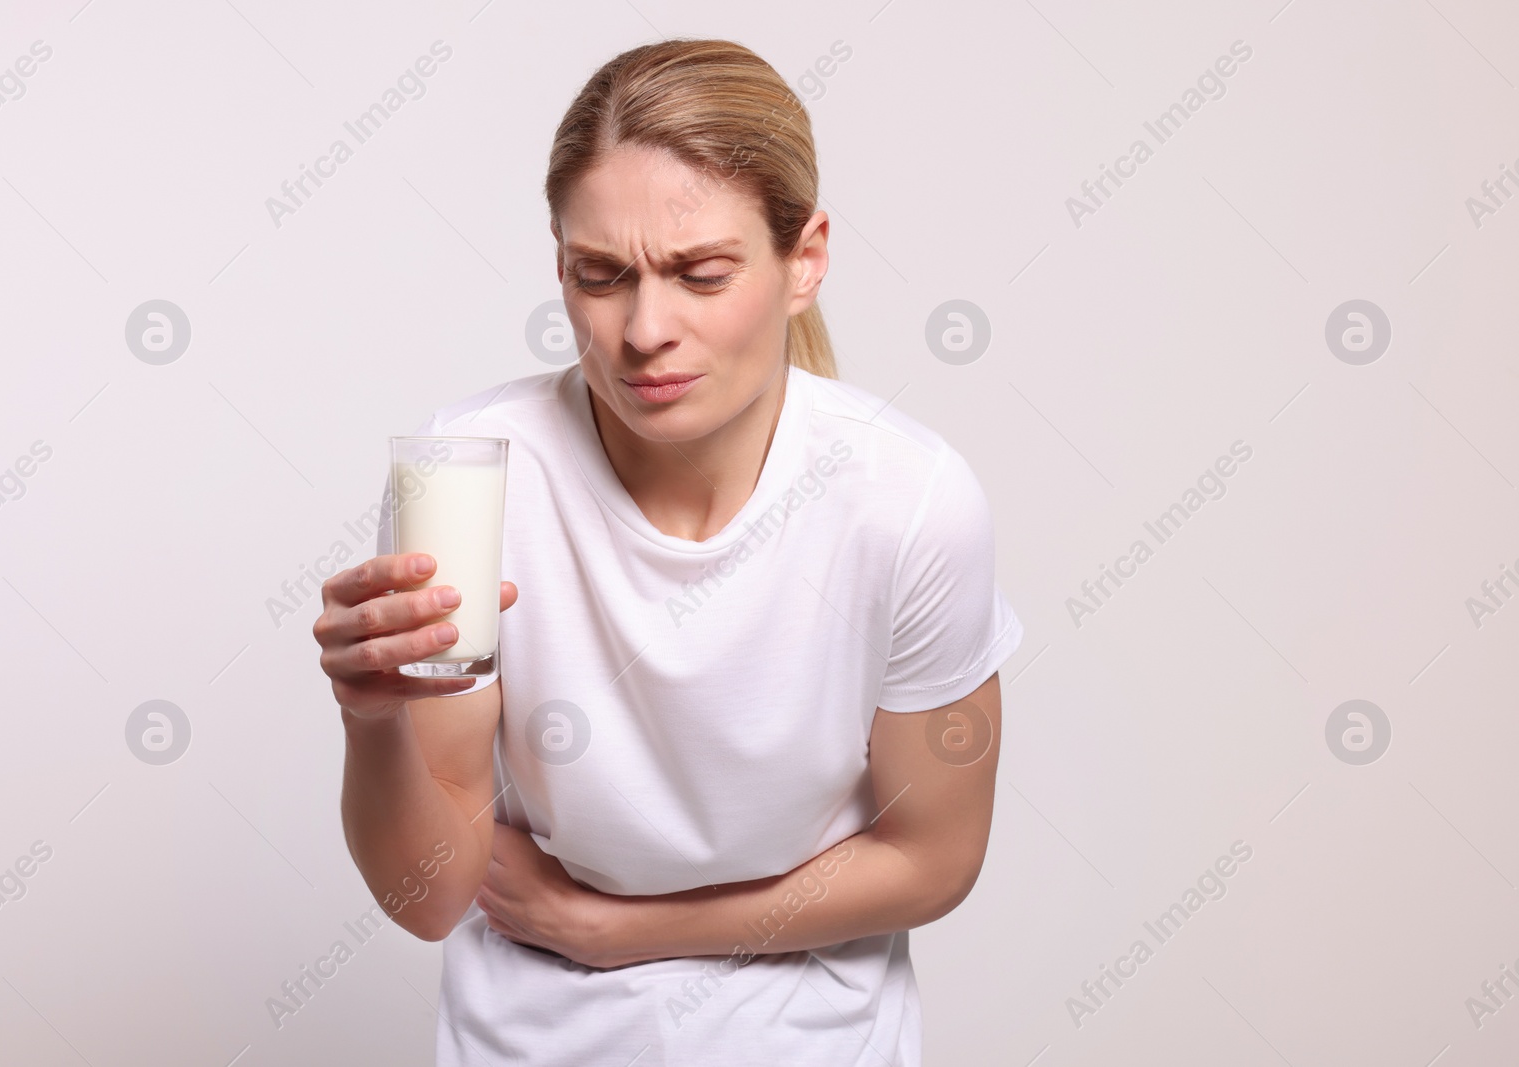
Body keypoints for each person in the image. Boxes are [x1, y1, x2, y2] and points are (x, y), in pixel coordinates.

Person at [315, 37, 1023, 1066]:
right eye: (598, 275)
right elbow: (429, 898)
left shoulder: (908, 501)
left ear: (805, 259)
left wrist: (628, 929)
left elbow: (934, 857)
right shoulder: (468, 482)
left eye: (701, 273)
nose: (644, 329)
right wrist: (370, 719)